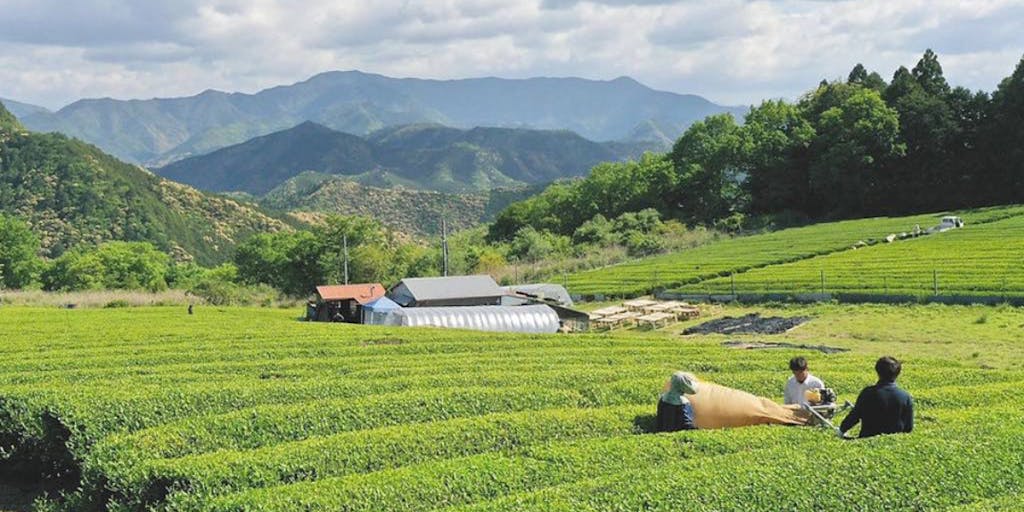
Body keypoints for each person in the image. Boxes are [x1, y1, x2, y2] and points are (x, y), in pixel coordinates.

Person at [839, 356, 914, 439]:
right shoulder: (905, 396)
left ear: (877, 371)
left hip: (867, 439)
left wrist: (841, 430)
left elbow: (854, 417)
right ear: (898, 373)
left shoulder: (868, 393)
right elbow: (908, 428)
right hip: (895, 441)